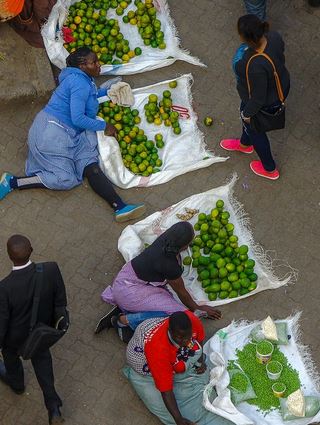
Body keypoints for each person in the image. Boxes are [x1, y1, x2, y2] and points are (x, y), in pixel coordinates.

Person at [0, 47, 145, 223]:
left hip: (68, 134)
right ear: (83, 66)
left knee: (89, 162)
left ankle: (120, 207)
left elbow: (86, 97)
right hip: (50, 136)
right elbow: (77, 118)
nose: (99, 65)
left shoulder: (81, 78)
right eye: (94, 62)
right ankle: (12, 182)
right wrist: (105, 125)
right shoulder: (79, 83)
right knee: (66, 179)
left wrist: (107, 92)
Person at [98, 222, 222, 341]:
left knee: (168, 302)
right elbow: (182, 293)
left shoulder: (165, 239)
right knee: (177, 316)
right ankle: (123, 321)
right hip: (130, 291)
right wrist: (197, 308)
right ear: (184, 246)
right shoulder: (169, 265)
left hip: (125, 280)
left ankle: (127, 308)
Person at [0, 235, 68, 424]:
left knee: (10, 357)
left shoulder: (4, 288)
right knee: (43, 365)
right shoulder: (51, 269)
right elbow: (61, 301)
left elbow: (2, 322)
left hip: (13, 339)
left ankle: (18, 384)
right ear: (31, 250)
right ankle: (53, 408)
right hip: (40, 333)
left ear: (9, 256)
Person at [124, 311, 233, 425]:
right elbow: (166, 391)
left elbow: (198, 339)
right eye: (179, 337)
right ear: (170, 331)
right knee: (172, 411)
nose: (185, 341)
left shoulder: (192, 320)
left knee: (198, 369)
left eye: (187, 336)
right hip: (143, 364)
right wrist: (179, 419)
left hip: (157, 341)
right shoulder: (158, 350)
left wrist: (200, 361)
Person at [220, 15, 290, 180]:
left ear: (246, 39)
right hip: (282, 84)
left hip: (265, 101)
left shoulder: (253, 64)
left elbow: (258, 98)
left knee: (255, 129)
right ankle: (245, 144)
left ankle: (270, 169)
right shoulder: (274, 36)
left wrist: (247, 114)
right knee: (248, 124)